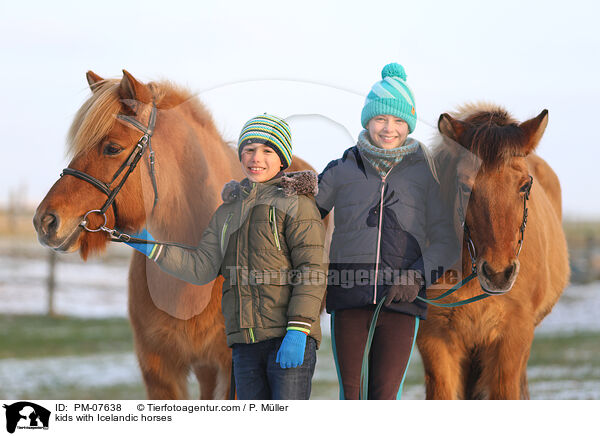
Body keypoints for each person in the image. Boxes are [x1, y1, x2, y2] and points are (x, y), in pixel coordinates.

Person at [127, 114, 327, 400]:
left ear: (282, 159)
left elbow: (312, 270)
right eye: (249, 150)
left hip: (287, 340)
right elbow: (202, 267)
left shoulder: (298, 206)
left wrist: (298, 330)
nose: (256, 158)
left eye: (267, 150)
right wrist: (154, 248)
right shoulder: (227, 212)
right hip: (244, 345)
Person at [315, 63, 458, 399]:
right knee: (351, 395)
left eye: (397, 120)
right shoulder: (342, 168)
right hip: (349, 299)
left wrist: (416, 276)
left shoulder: (426, 175)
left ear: (407, 124)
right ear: (368, 120)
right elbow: (304, 214)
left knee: (383, 397)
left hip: (401, 304)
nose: (388, 128)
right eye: (381, 119)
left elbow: (445, 241)